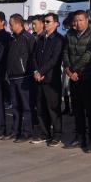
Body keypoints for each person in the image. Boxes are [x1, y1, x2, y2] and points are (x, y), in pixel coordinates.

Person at [63, 10, 91, 153]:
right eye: (75, 20)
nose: (77, 23)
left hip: (87, 77)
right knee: (77, 110)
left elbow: (89, 55)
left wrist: (75, 71)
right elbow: (65, 52)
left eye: (80, 20)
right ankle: (80, 137)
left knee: (90, 111)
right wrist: (67, 69)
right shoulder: (69, 34)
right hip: (73, 77)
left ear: (87, 20)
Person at [32, 12, 65, 147]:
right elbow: (33, 57)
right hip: (38, 79)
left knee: (53, 108)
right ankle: (45, 133)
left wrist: (41, 71)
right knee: (40, 108)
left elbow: (54, 60)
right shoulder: (40, 39)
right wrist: (36, 71)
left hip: (51, 79)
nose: (45, 24)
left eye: (48, 22)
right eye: (44, 22)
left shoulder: (59, 39)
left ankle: (57, 134)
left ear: (56, 24)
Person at [4, 14, 36, 142]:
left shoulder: (28, 37)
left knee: (26, 107)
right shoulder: (12, 39)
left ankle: (27, 132)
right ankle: (15, 130)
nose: (10, 27)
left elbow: (32, 57)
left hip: (24, 77)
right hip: (12, 77)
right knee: (15, 106)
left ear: (18, 24)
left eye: (11, 24)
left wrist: (30, 72)